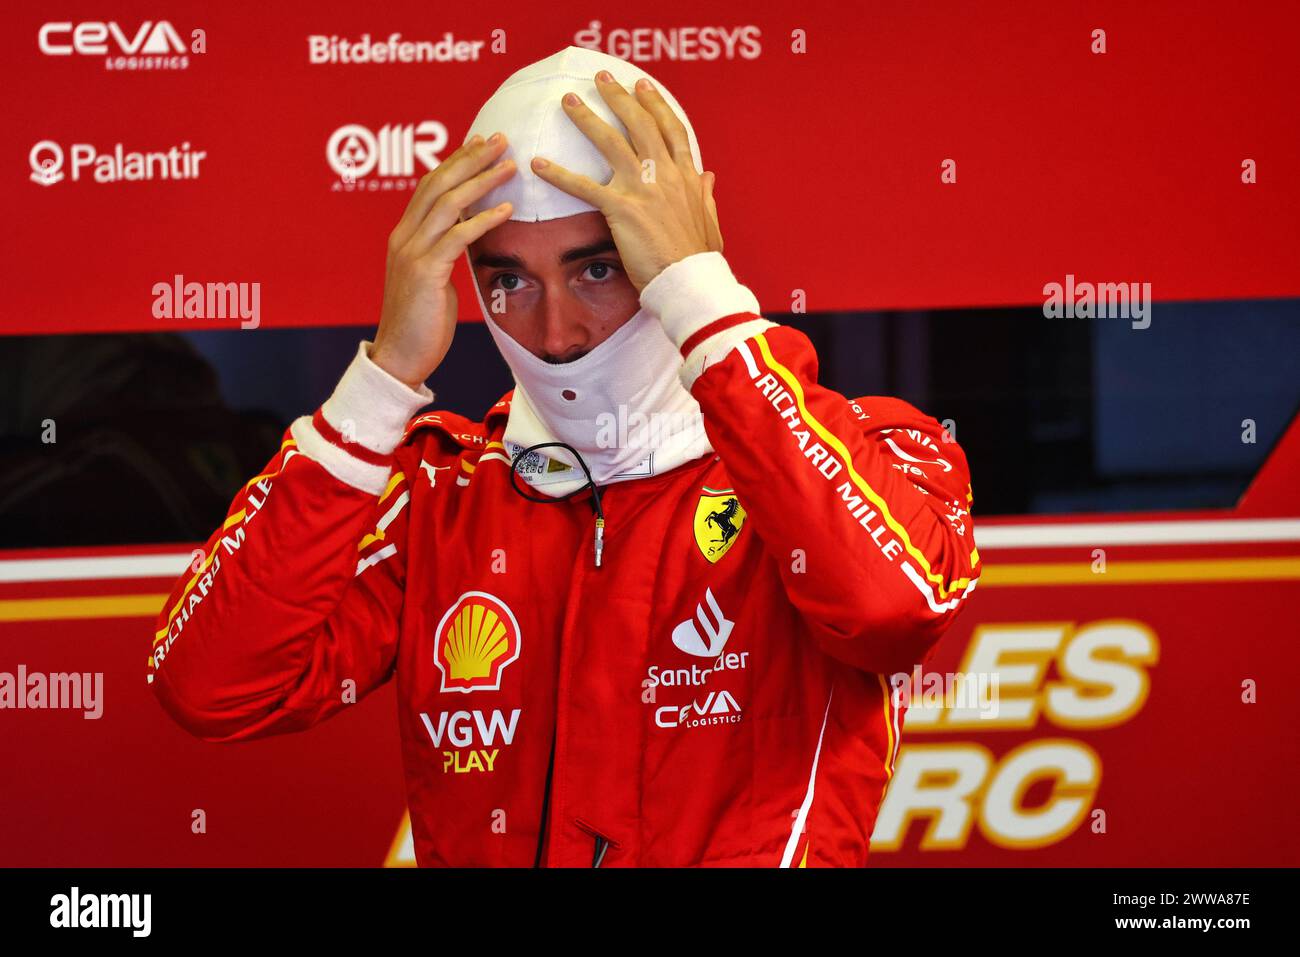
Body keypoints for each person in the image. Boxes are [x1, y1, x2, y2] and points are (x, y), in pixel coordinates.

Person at [148, 46, 980, 867]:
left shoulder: (870, 455)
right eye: (508, 280)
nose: (555, 332)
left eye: (599, 269)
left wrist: (707, 306)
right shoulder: (443, 493)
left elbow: (891, 612)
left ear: (680, 252)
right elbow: (212, 686)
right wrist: (382, 380)